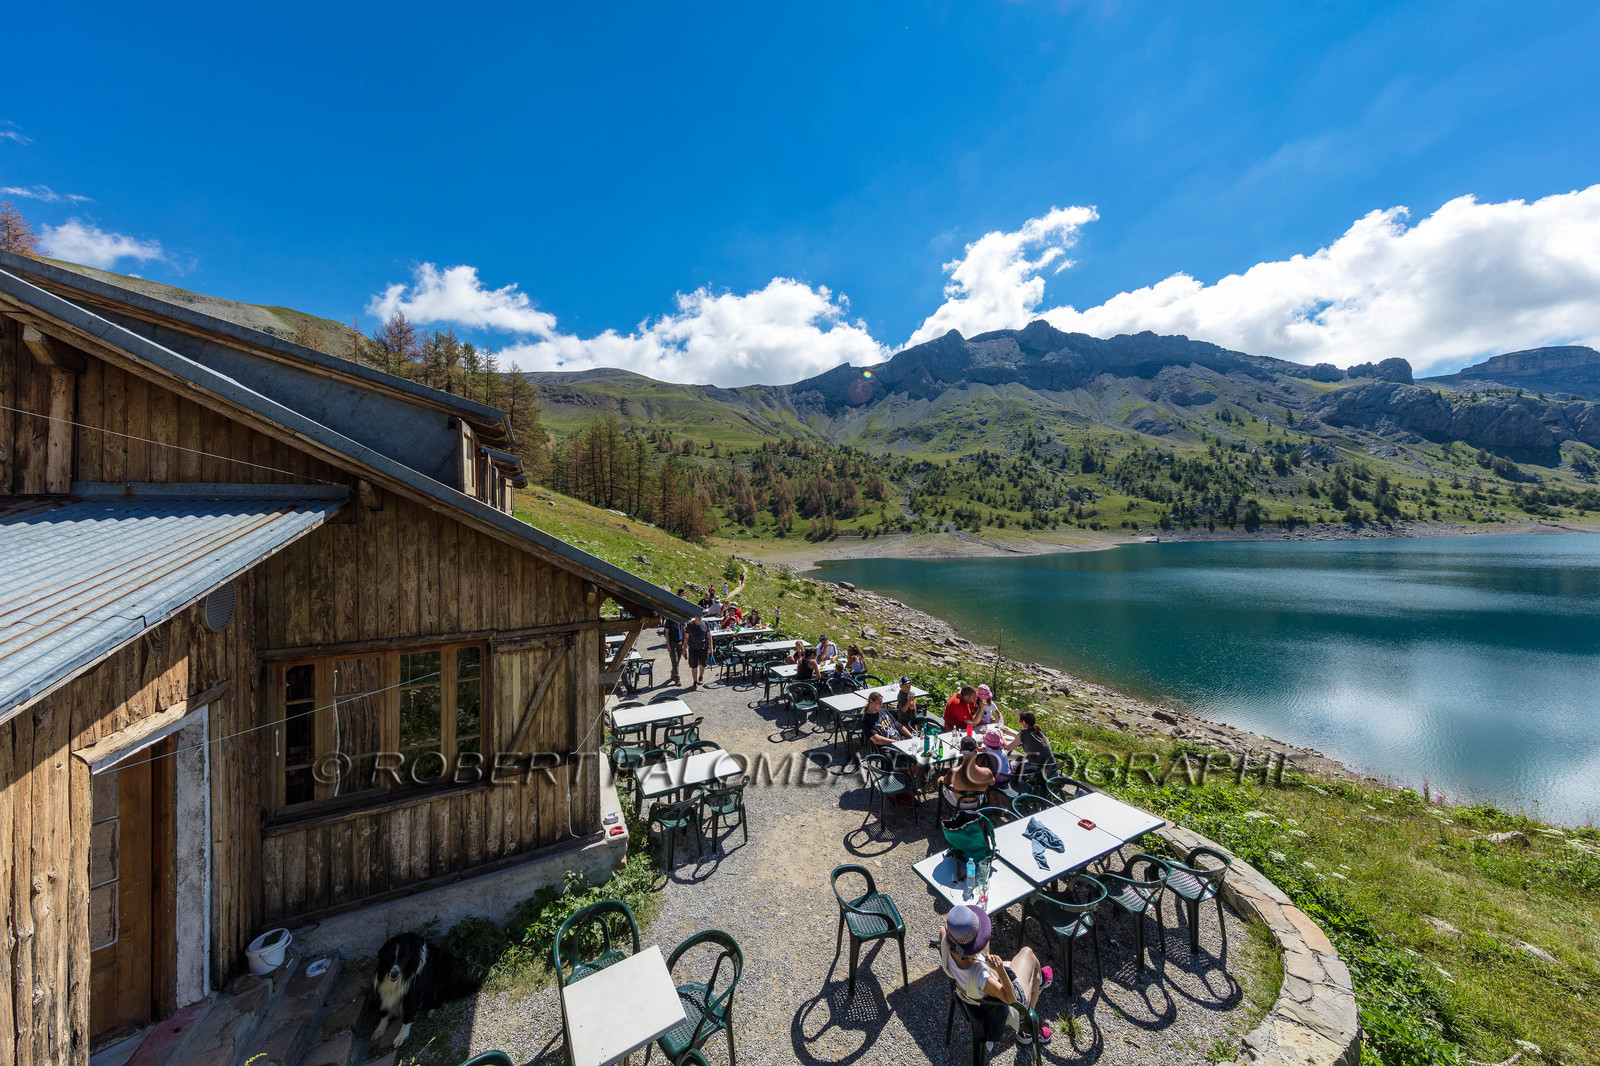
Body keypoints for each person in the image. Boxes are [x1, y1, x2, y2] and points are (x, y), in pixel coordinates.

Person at [939, 906, 1052, 1049]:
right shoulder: (980, 975)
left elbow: (943, 931)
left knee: (1033, 977)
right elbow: (1011, 999)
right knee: (1028, 953)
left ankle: (1036, 981)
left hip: (970, 991)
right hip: (1007, 1006)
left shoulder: (945, 939)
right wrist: (1000, 970)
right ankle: (1026, 1029)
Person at [1005, 710, 1056, 777]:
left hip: (1038, 772)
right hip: (1050, 770)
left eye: (1020, 721)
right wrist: (1012, 734)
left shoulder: (1023, 733)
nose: (1019, 723)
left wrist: (1000, 735)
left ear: (1024, 722)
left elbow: (1008, 748)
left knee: (1008, 763)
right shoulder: (1039, 730)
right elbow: (1028, 738)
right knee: (1020, 759)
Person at [663, 594, 687, 685]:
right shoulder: (669, 620)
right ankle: (677, 679)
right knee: (675, 661)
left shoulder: (681, 619)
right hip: (672, 642)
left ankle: (673, 674)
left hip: (680, 641)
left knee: (678, 661)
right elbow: (666, 633)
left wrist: (685, 644)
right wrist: (668, 645)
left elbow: (684, 630)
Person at [684, 612, 712, 689]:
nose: (699, 616)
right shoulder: (690, 625)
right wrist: (684, 648)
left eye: (701, 615)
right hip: (693, 648)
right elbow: (686, 637)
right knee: (694, 665)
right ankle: (695, 682)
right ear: (694, 615)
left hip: (703, 647)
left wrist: (711, 647)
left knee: (703, 664)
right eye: (698, 615)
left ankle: (701, 676)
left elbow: (709, 636)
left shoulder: (705, 623)